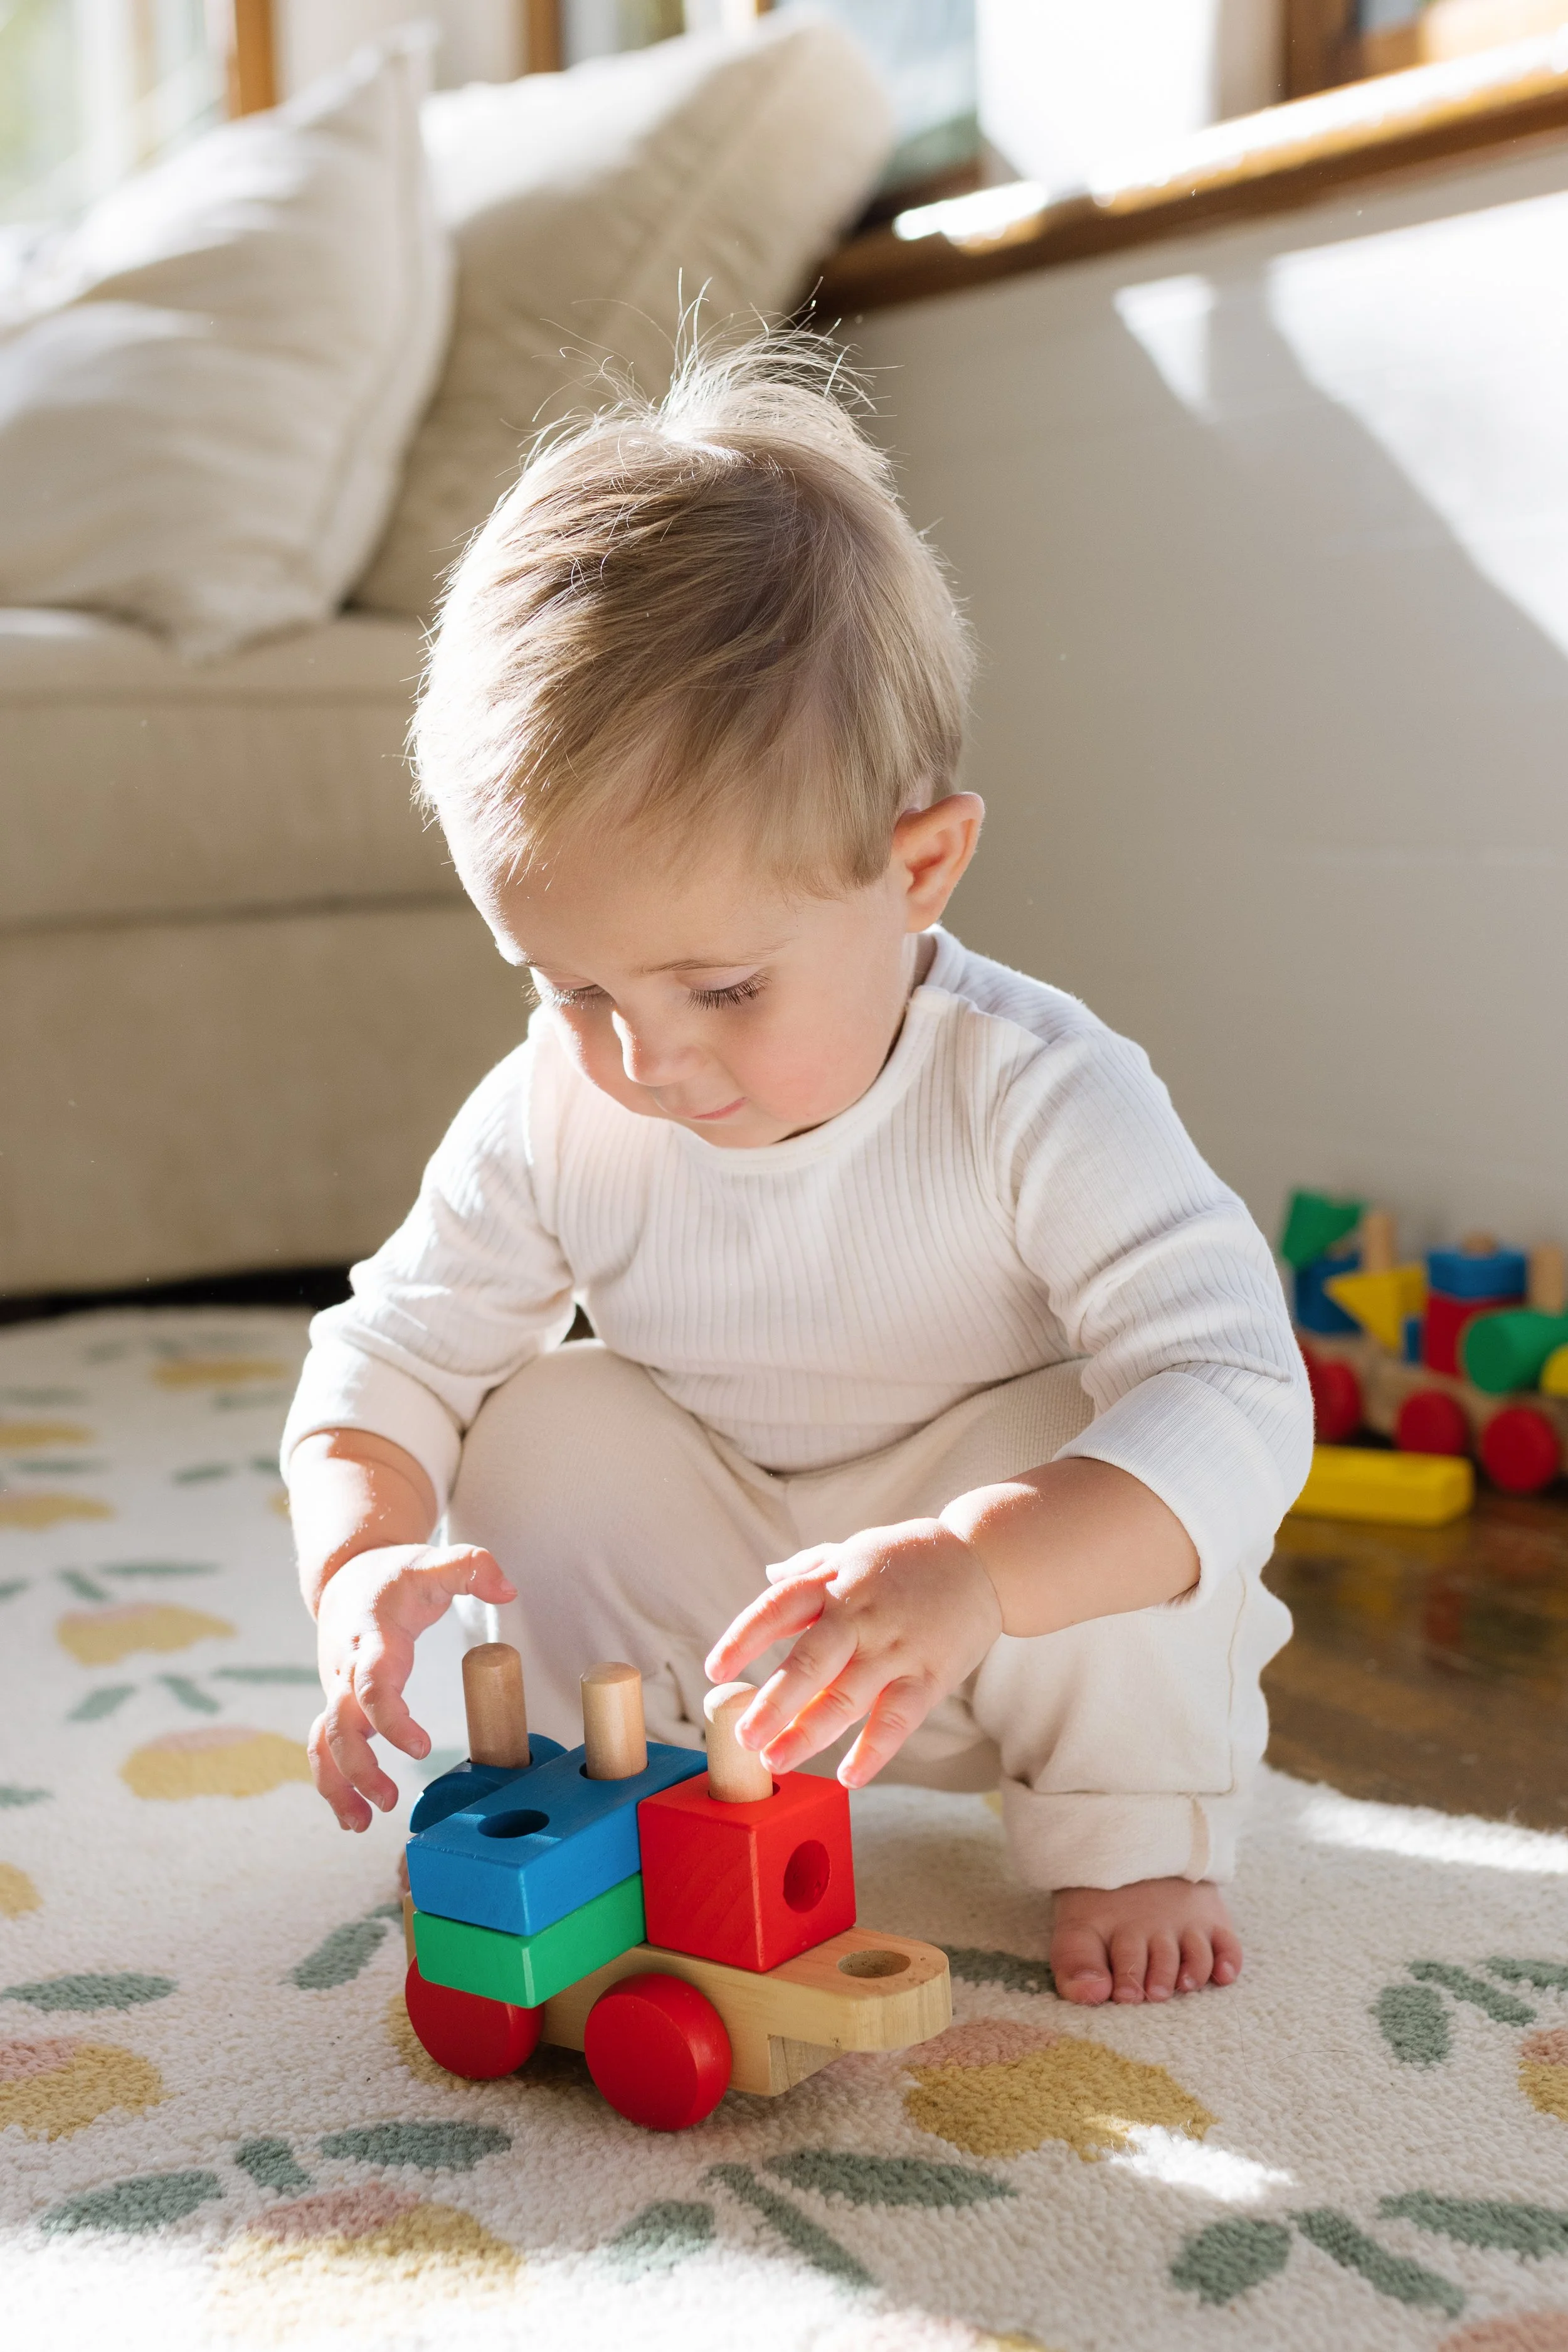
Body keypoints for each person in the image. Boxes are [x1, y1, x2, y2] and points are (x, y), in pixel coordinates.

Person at [283, 337, 1310, 2008]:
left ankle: (1132, 1828)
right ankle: (629, 1788)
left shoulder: (1035, 1091)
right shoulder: (563, 1101)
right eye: (573, 984)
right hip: (734, 1613)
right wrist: (359, 1565)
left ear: (917, 870)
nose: (643, 1057)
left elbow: (1238, 1391)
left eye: (721, 987)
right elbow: (383, 1360)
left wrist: (978, 1562)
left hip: (1000, 1599)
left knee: (1129, 1465)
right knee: (534, 1424)